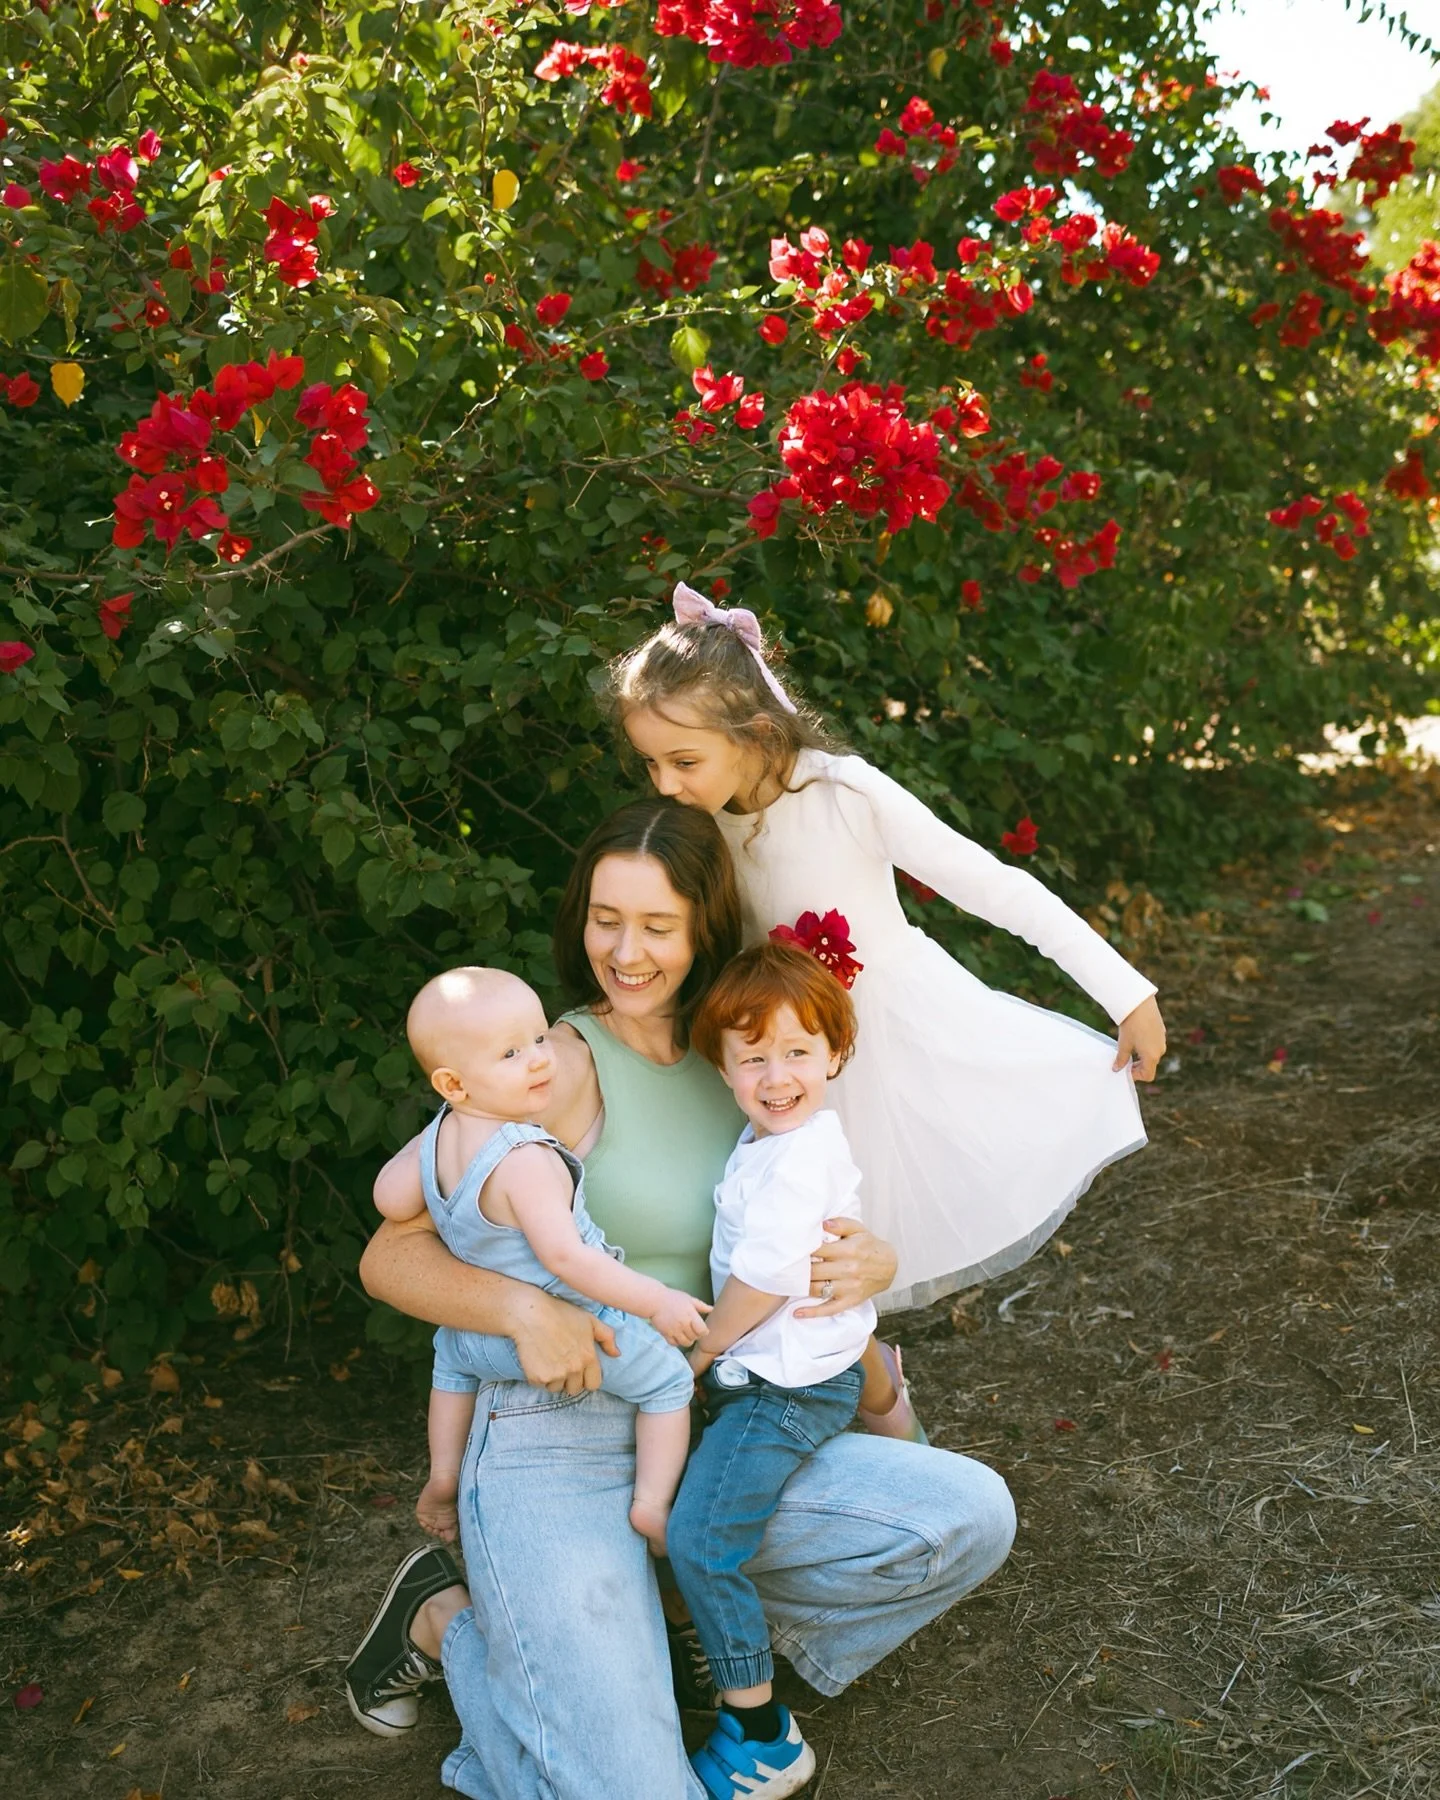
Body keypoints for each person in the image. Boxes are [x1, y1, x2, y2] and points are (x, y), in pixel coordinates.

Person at [345, 797, 1016, 1800]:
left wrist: (867, 1263)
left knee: (965, 1517)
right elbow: (389, 1253)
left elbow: (791, 1226)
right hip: (560, 1434)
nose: (627, 949)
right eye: (605, 919)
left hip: (713, 1415)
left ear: (703, 925)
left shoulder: (745, 1052)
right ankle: (451, 1623)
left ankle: (678, 1616)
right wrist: (526, 1311)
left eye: (658, 925)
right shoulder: (555, 1065)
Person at [610, 581, 1168, 1422]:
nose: (666, 783)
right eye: (651, 763)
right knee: (793, 1232)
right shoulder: (700, 826)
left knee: (836, 1243)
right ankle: (844, 1401)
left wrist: (1126, 991)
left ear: (757, 733)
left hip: (902, 1035)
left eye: (684, 762)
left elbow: (997, 887)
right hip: (786, 1063)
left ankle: (880, 1412)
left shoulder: (847, 796)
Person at [371, 965, 704, 1552]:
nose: (539, 1060)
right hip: (570, 1332)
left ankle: (443, 1475)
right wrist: (660, 1301)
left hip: (471, 1338)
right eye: (510, 1053)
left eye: (539, 1038)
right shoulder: (525, 1156)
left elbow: (389, 1196)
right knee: (670, 1384)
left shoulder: (444, 1132)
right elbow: (568, 1259)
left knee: (449, 1369)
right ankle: (652, 1507)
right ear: (452, 1082)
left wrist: (437, 1139)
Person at [668, 942, 876, 1799]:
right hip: (789, 1367)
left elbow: (763, 1278)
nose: (776, 1074)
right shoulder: (776, 1141)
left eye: (798, 1052)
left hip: (786, 1384)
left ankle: (760, 1730)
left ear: (835, 1053)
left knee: (700, 1538)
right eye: (752, 1056)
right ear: (722, 1067)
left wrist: (703, 1352)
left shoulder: (795, 1156)